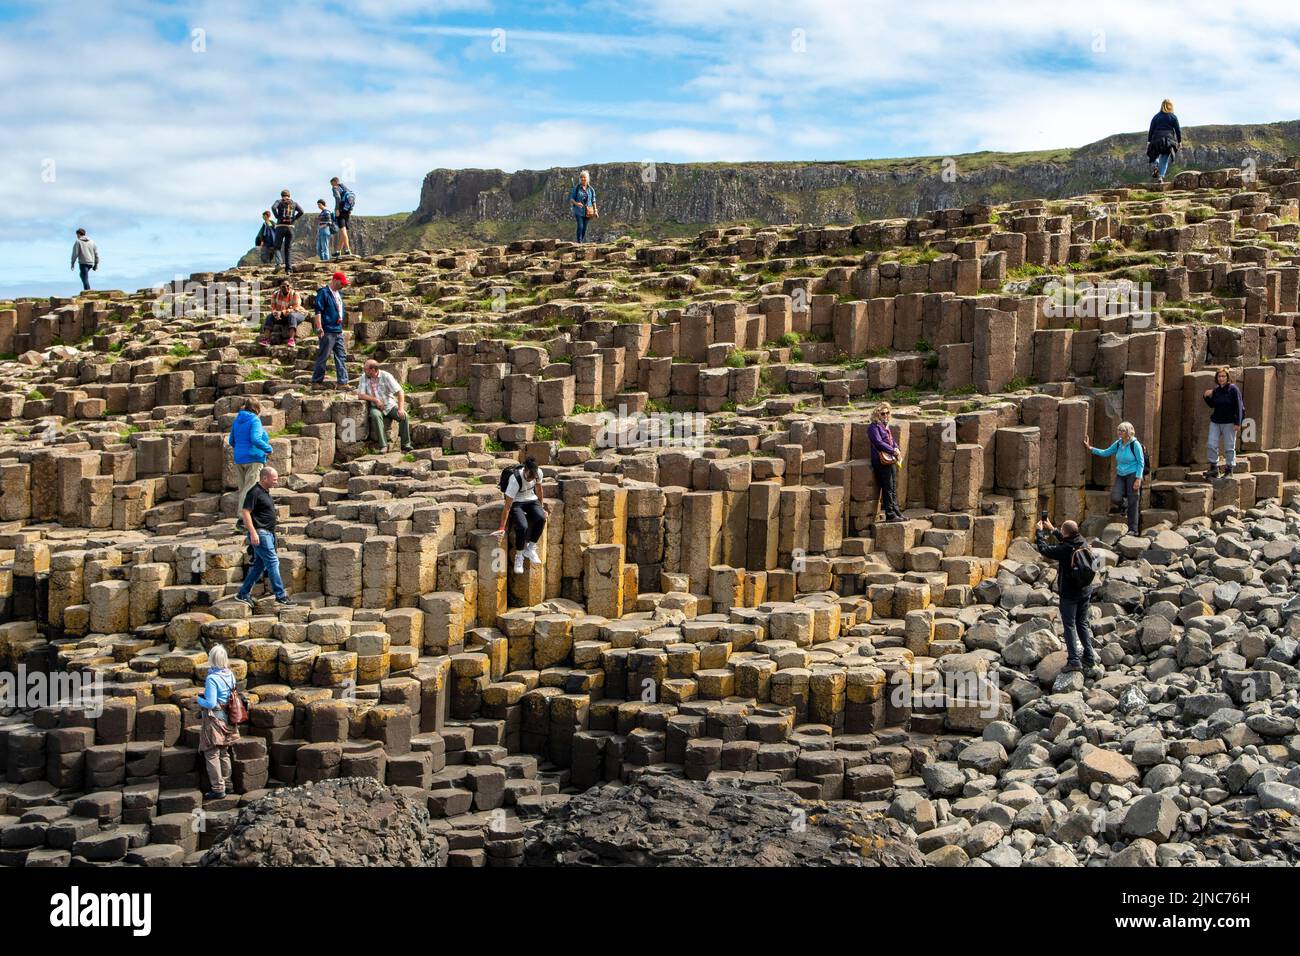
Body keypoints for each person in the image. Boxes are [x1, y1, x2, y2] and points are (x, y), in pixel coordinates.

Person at [1034, 518, 1103, 678]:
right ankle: (1089, 657)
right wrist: (1053, 529)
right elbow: (1067, 541)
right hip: (1085, 590)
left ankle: (1074, 661)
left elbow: (1044, 549)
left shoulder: (1065, 550)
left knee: (1070, 626)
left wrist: (1039, 532)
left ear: (1065, 532)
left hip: (1070, 594)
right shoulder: (1083, 542)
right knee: (1082, 623)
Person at [236, 466, 292, 608]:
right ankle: (280, 596)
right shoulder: (254, 492)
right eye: (274, 479)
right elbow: (245, 512)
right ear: (264, 478)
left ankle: (243, 593)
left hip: (268, 534)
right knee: (273, 562)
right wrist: (253, 532)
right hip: (261, 534)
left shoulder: (265, 492)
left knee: (259, 566)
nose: (276, 482)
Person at [196, 644, 240, 799]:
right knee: (224, 752)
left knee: (211, 753)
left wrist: (198, 699)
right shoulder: (230, 675)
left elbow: (211, 703)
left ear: (211, 659)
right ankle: (228, 785)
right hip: (228, 718)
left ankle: (218, 788)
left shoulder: (212, 678)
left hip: (215, 719)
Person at [1086, 422, 1144, 535]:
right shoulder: (1118, 444)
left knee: (1133, 501)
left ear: (1128, 432)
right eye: (1118, 430)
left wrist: (1138, 479)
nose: (1119, 432)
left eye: (1122, 430)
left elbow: (1141, 462)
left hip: (1133, 475)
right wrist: (1091, 448)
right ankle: (1124, 505)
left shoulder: (1135, 444)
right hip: (1121, 475)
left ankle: (1134, 530)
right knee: (1115, 497)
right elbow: (1106, 452)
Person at [494, 456, 548, 574]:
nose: (530, 479)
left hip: (531, 499)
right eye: (529, 476)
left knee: (541, 518)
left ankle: (530, 548)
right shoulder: (515, 480)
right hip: (516, 502)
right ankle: (519, 556)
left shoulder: (538, 473)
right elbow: (507, 506)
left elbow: (539, 490)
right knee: (523, 526)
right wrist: (501, 527)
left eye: (533, 477)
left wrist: (541, 507)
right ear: (525, 470)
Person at [228, 398, 272, 534]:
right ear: (256, 409)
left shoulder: (237, 421)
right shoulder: (254, 420)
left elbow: (231, 441)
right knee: (250, 489)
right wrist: (268, 448)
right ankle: (242, 520)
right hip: (253, 458)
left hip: (239, 458)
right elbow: (255, 439)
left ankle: (249, 518)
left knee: (243, 489)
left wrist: (241, 450)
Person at [357, 359, 413, 453]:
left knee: (404, 416)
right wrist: (376, 400)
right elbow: (360, 395)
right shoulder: (364, 377)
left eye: (366, 369)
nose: (364, 370)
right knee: (375, 415)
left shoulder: (386, 376)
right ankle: (383, 445)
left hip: (389, 405)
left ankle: (406, 445)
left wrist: (400, 408)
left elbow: (400, 392)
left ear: (373, 370)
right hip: (375, 406)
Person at [1203, 366, 1244, 480]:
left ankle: (1229, 469)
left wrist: (1238, 422)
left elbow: (1239, 406)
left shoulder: (1233, 389)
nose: (1221, 378)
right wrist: (1206, 396)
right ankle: (1214, 468)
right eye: (1219, 376)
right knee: (1211, 444)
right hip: (1216, 421)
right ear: (1217, 378)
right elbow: (1213, 405)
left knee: (1229, 447)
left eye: (1223, 376)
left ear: (1227, 377)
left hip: (1230, 422)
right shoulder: (1216, 390)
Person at [312, 271, 350, 388]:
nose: (343, 286)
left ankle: (342, 382)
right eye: (341, 283)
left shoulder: (339, 294)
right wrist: (319, 327)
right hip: (327, 330)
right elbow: (318, 311)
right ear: (335, 280)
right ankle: (316, 382)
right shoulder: (323, 293)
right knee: (324, 356)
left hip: (337, 330)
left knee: (341, 356)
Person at [868, 402, 904, 522]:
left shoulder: (885, 426)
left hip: (890, 459)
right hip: (881, 461)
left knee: (893, 487)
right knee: (888, 487)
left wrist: (896, 448)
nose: (885, 415)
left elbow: (891, 441)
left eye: (887, 412)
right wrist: (893, 451)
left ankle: (896, 511)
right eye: (882, 413)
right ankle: (890, 514)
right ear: (877, 414)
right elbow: (879, 443)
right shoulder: (873, 427)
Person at [1147, 99, 1182, 183]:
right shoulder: (1173, 117)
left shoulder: (1156, 116)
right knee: (1165, 158)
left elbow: (1151, 129)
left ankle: (1156, 165)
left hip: (1156, 138)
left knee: (1154, 154)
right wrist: (1179, 141)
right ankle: (1161, 177)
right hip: (1168, 140)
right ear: (1171, 106)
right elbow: (1178, 130)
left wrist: (1148, 141)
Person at [259, 278, 303, 346]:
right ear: (280, 287)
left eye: (288, 286)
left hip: (298, 314)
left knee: (292, 316)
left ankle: (291, 340)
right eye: (283, 286)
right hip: (282, 316)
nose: (286, 288)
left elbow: (295, 307)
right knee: (270, 316)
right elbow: (273, 308)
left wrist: (282, 312)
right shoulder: (275, 295)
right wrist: (275, 313)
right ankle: (266, 339)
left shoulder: (295, 294)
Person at [271, 189, 304, 273]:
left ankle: (279, 263)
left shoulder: (279, 201)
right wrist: (294, 218)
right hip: (290, 228)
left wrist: (277, 216)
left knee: (277, 247)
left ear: (282, 195)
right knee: (288, 249)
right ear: (289, 195)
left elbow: (273, 207)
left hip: (280, 227)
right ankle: (288, 270)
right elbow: (301, 211)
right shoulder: (294, 203)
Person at [330, 177, 355, 258]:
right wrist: (350, 209)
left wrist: (337, 209)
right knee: (342, 231)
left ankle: (347, 250)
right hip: (347, 211)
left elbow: (337, 198)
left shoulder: (335, 188)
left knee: (343, 230)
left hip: (340, 211)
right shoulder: (345, 187)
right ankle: (338, 251)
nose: (331, 185)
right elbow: (352, 199)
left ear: (334, 182)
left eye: (331, 183)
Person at [569, 170, 597, 243]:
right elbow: (571, 199)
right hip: (578, 211)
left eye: (584, 177)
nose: (583, 179)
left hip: (588, 211)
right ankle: (579, 242)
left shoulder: (591, 189)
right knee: (580, 226)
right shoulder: (577, 188)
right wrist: (577, 203)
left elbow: (593, 200)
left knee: (584, 228)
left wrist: (595, 211)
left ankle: (581, 241)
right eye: (581, 177)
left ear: (587, 178)